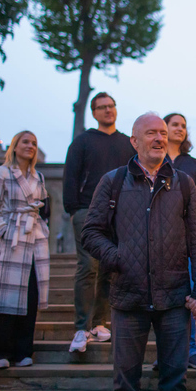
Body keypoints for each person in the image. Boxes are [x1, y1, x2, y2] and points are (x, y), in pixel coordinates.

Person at [81, 112, 196, 391]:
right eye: (151, 133)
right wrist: (119, 257)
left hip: (175, 299)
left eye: (163, 133)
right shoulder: (113, 181)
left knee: (175, 383)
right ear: (134, 141)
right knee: (126, 384)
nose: (159, 138)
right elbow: (90, 233)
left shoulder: (184, 183)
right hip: (128, 298)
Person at [63, 92, 136, 353]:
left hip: (119, 213)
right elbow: (70, 175)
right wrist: (72, 208)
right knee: (87, 267)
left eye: (111, 106)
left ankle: (99, 323)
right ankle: (81, 327)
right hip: (86, 211)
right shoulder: (82, 142)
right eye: (102, 107)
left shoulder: (129, 143)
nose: (108, 110)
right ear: (94, 113)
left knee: (109, 268)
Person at [0, 131, 50, 369]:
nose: (30, 146)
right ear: (15, 146)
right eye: (26, 142)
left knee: (29, 294)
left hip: (33, 238)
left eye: (34, 143)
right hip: (9, 238)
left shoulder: (38, 176)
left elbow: (44, 207)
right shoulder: (1, 172)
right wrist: (4, 230)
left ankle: (22, 351)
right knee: (1, 293)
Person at [164, 112, 196, 370]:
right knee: (164, 300)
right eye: (174, 125)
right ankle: (165, 352)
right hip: (158, 242)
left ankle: (190, 350)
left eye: (183, 125)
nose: (180, 129)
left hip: (187, 242)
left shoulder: (193, 164)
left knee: (188, 296)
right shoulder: (154, 161)